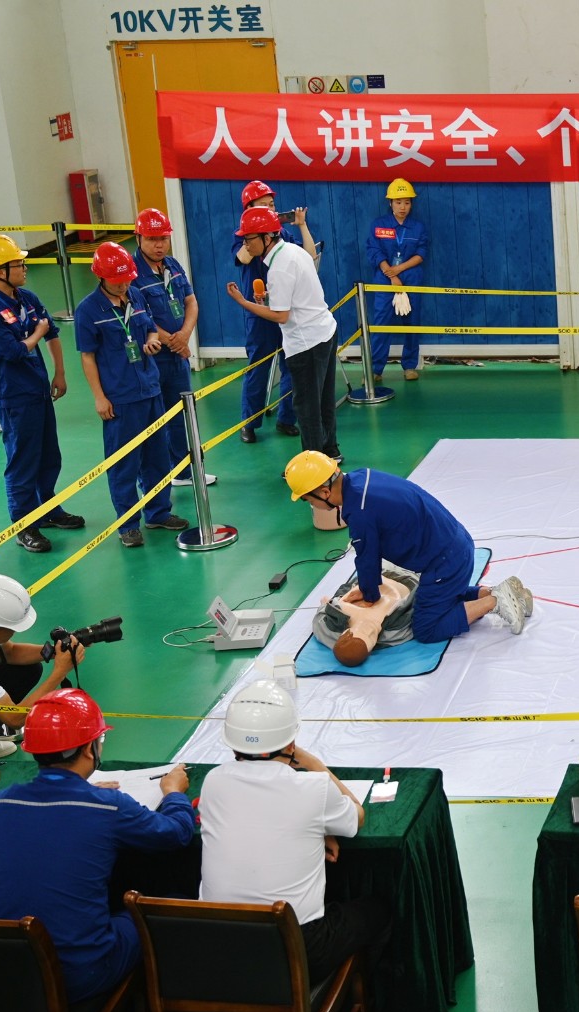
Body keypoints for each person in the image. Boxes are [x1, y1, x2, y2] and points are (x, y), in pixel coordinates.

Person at [0, 688, 194, 1004]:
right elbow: (177, 833)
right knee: (167, 906)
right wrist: (173, 793)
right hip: (79, 975)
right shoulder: (108, 806)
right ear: (90, 750)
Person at [200, 678, 389, 982]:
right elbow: (357, 816)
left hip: (219, 947)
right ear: (290, 744)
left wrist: (316, 829)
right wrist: (315, 764)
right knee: (378, 909)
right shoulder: (313, 788)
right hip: (297, 949)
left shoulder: (213, 782)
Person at [284, 450, 532, 640]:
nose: (311, 505)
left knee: (426, 628)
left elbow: (367, 559)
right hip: (456, 543)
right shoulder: (361, 477)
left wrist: (369, 595)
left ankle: (494, 602)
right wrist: (368, 587)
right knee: (434, 595)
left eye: (307, 499)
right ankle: (500, 592)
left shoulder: (359, 512)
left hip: (444, 563)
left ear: (324, 492)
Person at [0, 234, 85, 553]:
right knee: (22, 460)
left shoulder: (27, 298)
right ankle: (24, 525)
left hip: (38, 389)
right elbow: (12, 352)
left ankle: (47, 509)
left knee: (49, 455)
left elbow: (52, 332)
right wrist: (37, 331)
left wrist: (60, 372)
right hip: (13, 396)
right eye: (18, 264)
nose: (24, 268)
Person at [75, 242, 189, 548]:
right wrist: (99, 397)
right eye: (117, 281)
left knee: (157, 456)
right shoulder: (88, 311)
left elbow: (150, 327)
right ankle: (127, 524)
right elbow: (87, 357)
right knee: (124, 463)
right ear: (100, 277)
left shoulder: (135, 295)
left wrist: (152, 340)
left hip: (150, 389)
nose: (123, 285)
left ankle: (158, 512)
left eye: (127, 279)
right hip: (120, 397)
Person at [227, 207, 339, 458]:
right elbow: (296, 291)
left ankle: (314, 464)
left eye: (249, 239)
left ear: (267, 237)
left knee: (307, 407)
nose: (246, 245)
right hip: (325, 332)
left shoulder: (278, 267)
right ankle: (330, 451)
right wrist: (269, 297)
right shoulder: (293, 251)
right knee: (324, 400)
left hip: (307, 343)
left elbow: (281, 316)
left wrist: (244, 302)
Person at [130, 207, 213, 486]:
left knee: (180, 414)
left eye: (163, 238)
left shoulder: (172, 265)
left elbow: (190, 301)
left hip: (178, 356)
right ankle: (153, 479)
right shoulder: (131, 274)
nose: (159, 245)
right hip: (152, 359)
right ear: (138, 238)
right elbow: (140, 318)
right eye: (152, 239)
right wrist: (175, 342)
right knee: (152, 419)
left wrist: (185, 335)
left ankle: (182, 471)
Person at [230, 180, 312, 444]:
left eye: (272, 205)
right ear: (248, 209)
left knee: (292, 365)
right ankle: (249, 423)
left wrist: (300, 225)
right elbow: (242, 258)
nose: (270, 209)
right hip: (260, 313)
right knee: (258, 367)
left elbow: (306, 256)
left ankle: (286, 418)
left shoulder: (282, 234)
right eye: (263, 205)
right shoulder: (243, 235)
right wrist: (254, 234)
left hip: (285, 308)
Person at [0, 573, 84, 759]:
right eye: (11, 627)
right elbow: (15, 718)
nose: (14, 632)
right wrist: (59, 672)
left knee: (29, 669)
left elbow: (11, 652)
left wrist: (54, 651)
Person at [364, 178, 428, 383]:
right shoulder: (379, 225)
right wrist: (390, 274)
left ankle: (409, 366)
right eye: (398, 202)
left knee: (412, 323)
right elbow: (374, 251)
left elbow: (421, 253)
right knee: (382, 323)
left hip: (411, 277)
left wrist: (398, 270)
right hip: (384, 279)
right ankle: (375, 369)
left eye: (407, 202)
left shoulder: (418, 227)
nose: (403, 207)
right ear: (390, 203)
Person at [310, 566, 419, 667]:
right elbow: (419, 612)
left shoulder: (331, 630)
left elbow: (322, 609)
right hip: (404, 578)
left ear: (343, 633)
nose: (367, 628)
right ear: (371, 647)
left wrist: (326, 604)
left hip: (373, 574)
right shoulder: (394, 633)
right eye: (369, 635)